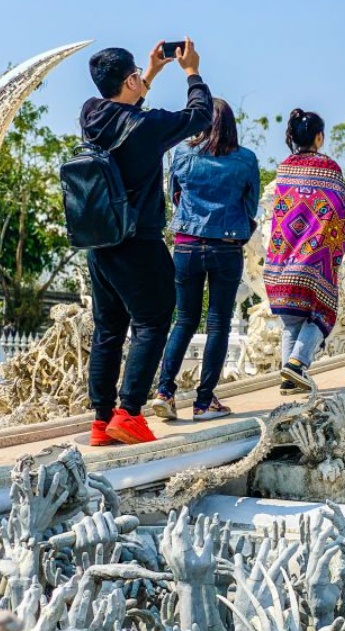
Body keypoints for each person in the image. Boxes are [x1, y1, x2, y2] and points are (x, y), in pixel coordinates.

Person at [81, 40, 212, 446]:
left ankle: (102, 421)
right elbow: (200, 116)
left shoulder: (90, 113)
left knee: (108, 330)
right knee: (153, 320)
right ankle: (130, 412)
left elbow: (123, 114)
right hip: (139, 241)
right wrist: (191, 71)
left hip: (101, 242)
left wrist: (150, 74)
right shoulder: (149, 126)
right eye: (137, 74)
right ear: (130, 81)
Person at [151, 98, 260, 421]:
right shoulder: (245, 159)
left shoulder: (183, 154)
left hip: (186, 245)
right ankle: (203, 402)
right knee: (218, 324)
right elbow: (251, 206)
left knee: (184, 320)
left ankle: (164, 392)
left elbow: (175, 196)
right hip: (226, 246)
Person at [264, 110, 345, 395]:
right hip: (314, 261)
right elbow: (336, 216)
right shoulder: (330, 168)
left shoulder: (285, 168)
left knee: (291, 322)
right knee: (324, 313)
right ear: (319, 137)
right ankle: (297, 362)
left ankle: (289, 379)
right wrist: (335, 253)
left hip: (280, 262)